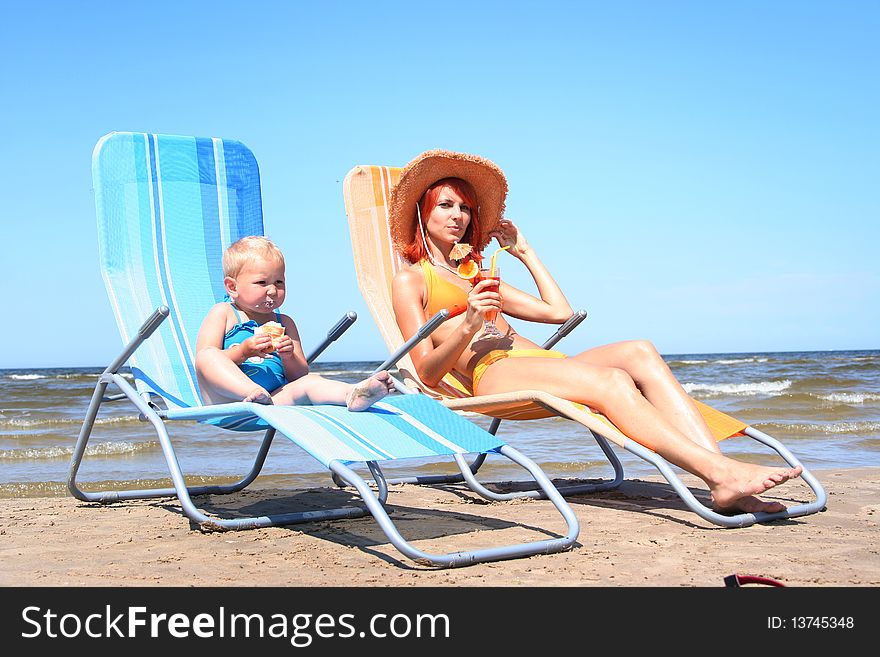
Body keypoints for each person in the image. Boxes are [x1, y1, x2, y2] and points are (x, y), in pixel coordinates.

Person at [388, 149, 802, 514]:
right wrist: (470, 327)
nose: (458, 215)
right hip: (496, 374)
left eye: (465, 208)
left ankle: (723, 480)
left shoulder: (478, 276)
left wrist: (525, 252)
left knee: (639, 350)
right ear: (423, 214)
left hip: (543, 365)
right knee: (613, 381)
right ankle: (720, 474)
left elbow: (558, 312)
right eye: (445, 205)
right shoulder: (414, 280)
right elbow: (425, 372)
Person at [196, 236, 394, 410]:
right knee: (207, 355)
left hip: (273, 401)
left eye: (279, 282)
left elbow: (298, 374)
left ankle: (352, 394)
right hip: (226, 403)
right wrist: (243, 351)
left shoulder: (285, 323)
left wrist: (288, 356)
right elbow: (205, 363)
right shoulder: (223, 313)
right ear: (232, 287)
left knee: (309, 382)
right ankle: (254, 393)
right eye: (262, 283)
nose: (272, 290)